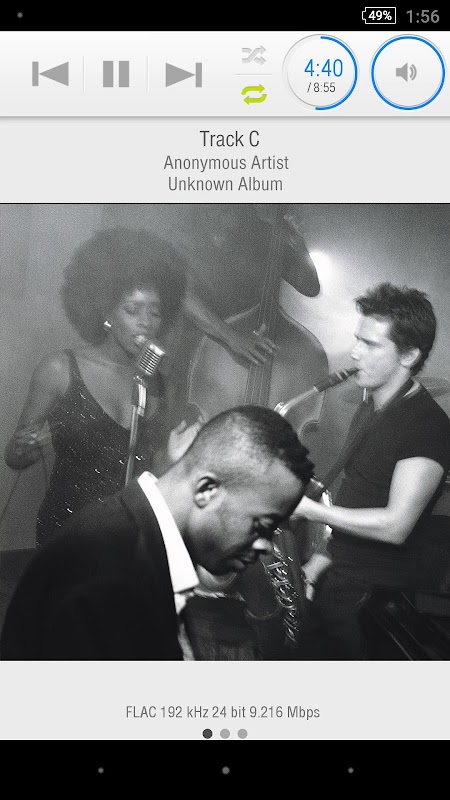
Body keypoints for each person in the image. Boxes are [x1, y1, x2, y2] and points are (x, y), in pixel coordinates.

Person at [3, 227, 273, 548]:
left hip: (129, 535)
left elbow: (154, 466)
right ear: (105, 312)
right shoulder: (60, 370)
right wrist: (24, 448)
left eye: (155, 312)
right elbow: (15, 458)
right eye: (132, 310)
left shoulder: (155, 382)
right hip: (67, 534)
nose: (145, 321)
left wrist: (182, 456)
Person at [0, 405, 314, 660]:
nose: (265, 546)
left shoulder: (140, 539)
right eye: (261, 525)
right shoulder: (114, 571)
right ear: (206, 490)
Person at [291, 282, 450, 660]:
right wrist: (317, 564)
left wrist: (310, 510)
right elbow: (359, 498)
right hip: (342, 580)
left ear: (409, 354)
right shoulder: (371, 407)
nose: (355, 353)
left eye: (371, 344)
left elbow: (396, 526)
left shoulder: (426, 426)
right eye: (357, 340)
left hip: (369, 600)